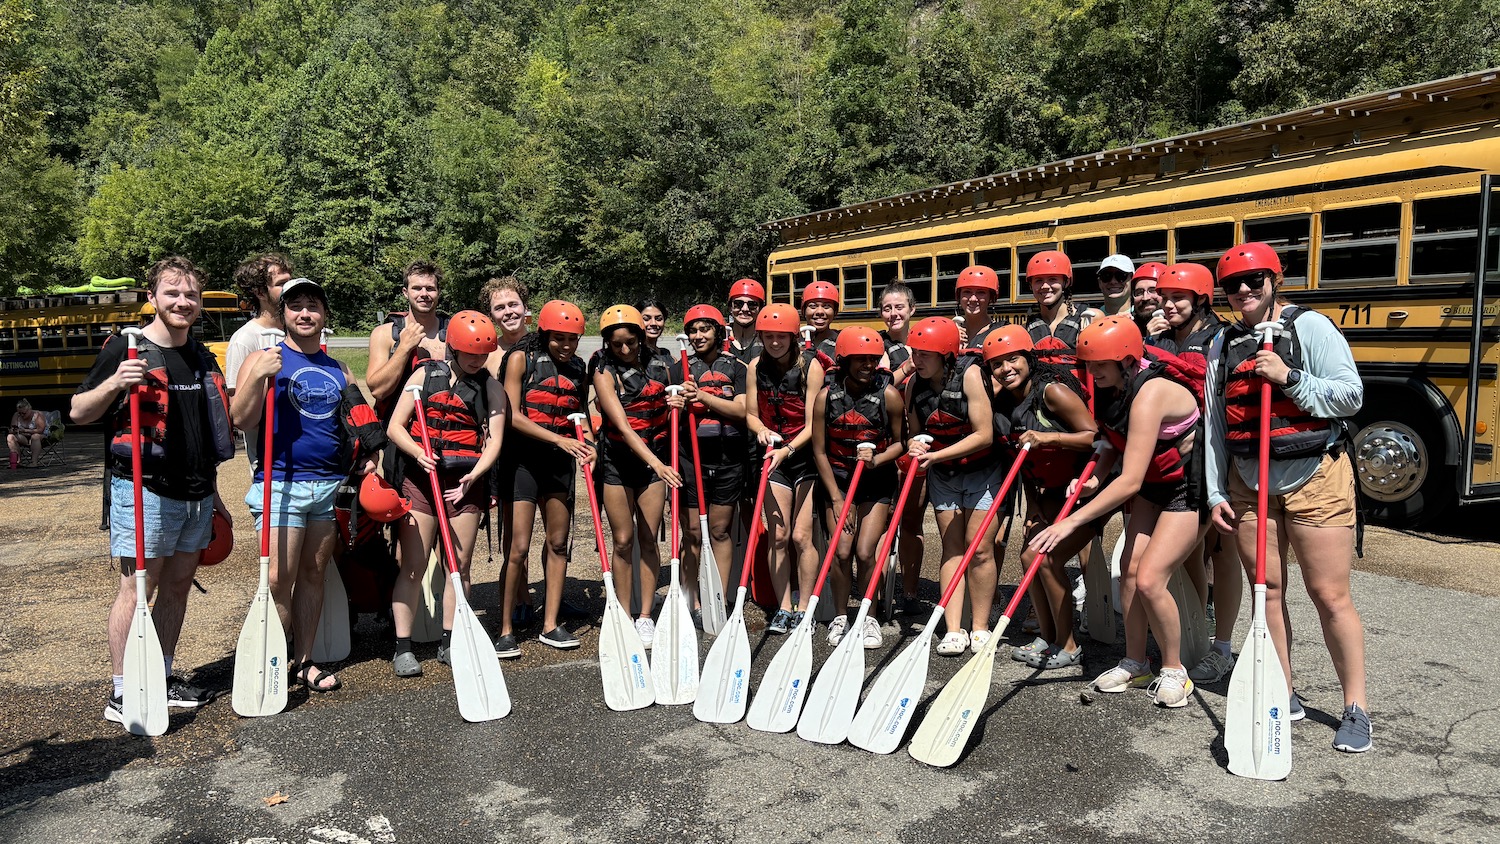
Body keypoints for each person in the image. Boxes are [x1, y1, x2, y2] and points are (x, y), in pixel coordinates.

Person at [1205, 242, 1371, 752]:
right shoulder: (1223, 345)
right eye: (1233, 284)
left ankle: (1356, 707)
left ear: (1276, 280)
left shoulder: (1311, 327)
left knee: (1329, 596)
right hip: (1249, 486)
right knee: (1267, 594)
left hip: (1315, 477)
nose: (1244, 291)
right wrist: (1214, 491)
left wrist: (1290, 378)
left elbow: (1350, 395)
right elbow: (1214, 427)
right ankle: (1285, 690)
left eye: (1255, 280)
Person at [72, 256, 235, 724]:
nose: (183, 302)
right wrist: (115, 385)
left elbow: (203, 432)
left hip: (197, 491)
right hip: (143, 489)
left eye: (190, 295)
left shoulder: (202, 355)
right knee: (137, 590)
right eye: (172, 293)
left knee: (179, 586)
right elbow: (79, 412)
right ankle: (123, 690)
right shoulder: (126, 349)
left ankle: (160, 677)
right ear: (153, 298)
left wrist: (215, 490)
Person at [1029, 316, 1207, 708]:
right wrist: (1095, 478)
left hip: (1189, 487)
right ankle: (1135, 661)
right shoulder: (1112, 386)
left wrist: (1072, 521)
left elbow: (1129, 481)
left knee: (1149, 578)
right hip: (1153, 483)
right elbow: (1111, 442)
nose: (1092, 373)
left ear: (1127, 360)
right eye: (1088, 365)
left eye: (1099, 365)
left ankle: (1175, 671)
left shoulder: (1150, 393)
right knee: (1128, 572)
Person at [230, 278, 383, 692]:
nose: (304, 313)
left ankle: (303, 662)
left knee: (315, 575)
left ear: (324, 315)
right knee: (279, 580)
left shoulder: (339, 368)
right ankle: (271, 664)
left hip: (327, 486)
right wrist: (258, 376)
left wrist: (370, 453)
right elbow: (240, 419)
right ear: (284, 315)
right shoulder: (265, 358)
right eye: (295, 306)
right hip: (281, 484)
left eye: (313, 305)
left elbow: (358, 419)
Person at [385, 311, 508, 677]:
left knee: (460, 566)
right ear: (452, 347)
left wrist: (475, 475)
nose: (476, 360)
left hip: (464, 483)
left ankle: (451, 641)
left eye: (483, 354)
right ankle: (403, 647)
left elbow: (496, 441)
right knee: (414, 566)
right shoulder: (425, 375)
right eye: (470, 352)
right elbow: (395, 426)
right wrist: (418, 452)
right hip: (421, 482)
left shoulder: (491, 388)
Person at [984, 326, 1098, 669]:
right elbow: (1023, 464)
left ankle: (1069, 644)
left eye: (1013, 359)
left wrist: (1050, 439)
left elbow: (1093, 436)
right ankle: (1047, 637)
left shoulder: (1053, 392)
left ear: (1029, 359)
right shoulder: (1003, 403)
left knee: (1043, 558)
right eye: (997, 364)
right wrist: (1032, 508)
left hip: (1084, 489)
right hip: (1045, 491)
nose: (1006, 369)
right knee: (1027, 558)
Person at [1151, 262, 1243, 685]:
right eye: (1164, 297)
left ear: (1202, 299)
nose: (1168, 304)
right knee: (1188, 551)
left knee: (1223, 553)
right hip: (1174, 463)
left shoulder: (1223, 338)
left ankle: (1222, 645)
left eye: (1178, 297)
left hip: (1217, 457)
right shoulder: (1160, 339)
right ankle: (1197, 630)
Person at [494, 301, 593, 656]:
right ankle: (505, 629)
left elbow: (580, 416)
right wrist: (557, 439)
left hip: (559, 465)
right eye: (559, 338)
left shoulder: (578, 367)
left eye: (573, 339)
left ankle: (550, 624)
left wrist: (590, 444)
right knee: (518, 548)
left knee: (557, 544)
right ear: (544, 333)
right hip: (522, 463)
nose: (566, 346)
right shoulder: (521, 358)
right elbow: (512, 415)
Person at [903, 317, 999, 656]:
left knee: (981, 548)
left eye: (926, 354)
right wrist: (917, 445)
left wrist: (939, 454)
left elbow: (984, 434)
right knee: (952, 546)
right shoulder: (914, 384)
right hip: (943, 475)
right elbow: (916, 432)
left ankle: (981, 627)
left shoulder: (970, 375)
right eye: (915, 352)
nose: (918, 359)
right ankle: (954, 628)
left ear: (946, 354)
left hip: (982, 471)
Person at [811, 326, 905, 648]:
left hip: (876, 481)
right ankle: (840, 615)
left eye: (872, 359)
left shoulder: (888, 395)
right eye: (859, 359)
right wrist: (836, 499)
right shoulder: (826, 397)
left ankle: (868, 616)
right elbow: (819, 451)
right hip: (838, 482)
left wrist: (877, 459)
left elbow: (901, 444)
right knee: (841, 551)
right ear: (844, 360)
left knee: (865, 552)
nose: (867, 365)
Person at [593, 305, 681, 647]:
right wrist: (658, 465)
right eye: (618, 345)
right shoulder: (601, 368)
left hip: (653, 462)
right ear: (608, 344)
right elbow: (622, 425)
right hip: (618, 462)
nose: (626, 350)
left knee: (648, 538)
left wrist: (682, 398)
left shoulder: (662, 364)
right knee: (623, 540)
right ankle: (623, 612)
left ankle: (645, 616)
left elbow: (678, 397)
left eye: (631, 342)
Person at [744, 303, 826, 633]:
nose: (774, 342)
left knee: (801, 536)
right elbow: (751, 413)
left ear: (793, 337)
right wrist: (761, 430)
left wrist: (788, 449)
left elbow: (812, 424)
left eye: (781, 336)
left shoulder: (812, 367)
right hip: (772, 456)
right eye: (768, 336)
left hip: (802, 456)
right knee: (777, 536)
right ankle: (783, 608)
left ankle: (804, 608)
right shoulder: (754, 366)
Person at [667, 305, 747, 622]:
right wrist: (675, 402)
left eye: (705, 329)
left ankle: (718, 599)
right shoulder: (678, 371)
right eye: (693, 330)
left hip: (728, 460)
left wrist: (702, 396)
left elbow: (742, 410)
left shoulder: (737, 367)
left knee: (719, 531)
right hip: (690, 460)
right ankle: (692, 602)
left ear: (717, 331)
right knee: (691, 534)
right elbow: (666, 412)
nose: (698, 336)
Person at [879, 282, 925, 612]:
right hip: (889, 445)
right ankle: (882, 592)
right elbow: (879, 387)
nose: (893, 314)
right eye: (887, 308)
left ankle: (909, 592)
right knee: (884, 523)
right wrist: (909, 365)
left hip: (919, 446)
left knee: (911, 522)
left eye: (899, 308)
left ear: (911, 310)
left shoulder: (927, 338)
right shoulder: (877, 346)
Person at [367, 261, 449, 418]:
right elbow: (378, 391)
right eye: (417, 288)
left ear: (438, 292)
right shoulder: (384, 334)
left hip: (441, 433)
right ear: (405, 292)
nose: (424, 294)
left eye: (430, 288)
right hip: (396, 433)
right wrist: (404, 348)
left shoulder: (453, 333)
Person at [225, 253, 293, 396]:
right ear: (260, 293)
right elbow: (236, 403)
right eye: (281, 284)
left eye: (290, 281)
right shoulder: (244, 340)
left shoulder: (297, 331)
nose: (290, 288)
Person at [1025, 251, 1102, 365]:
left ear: (1066, 282)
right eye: (1038, 280)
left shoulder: (1089, 318)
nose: (1045, 286)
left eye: (1052, 279)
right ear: (1031, 285)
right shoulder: (1026, 329)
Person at [726, 278, 765, 363]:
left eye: (752, 305)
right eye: (738, 304)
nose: (745, 309)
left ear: (760, 309)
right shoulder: (720, 337)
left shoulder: (767, 339)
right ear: (730, 307)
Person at [800, 281, 841, 359]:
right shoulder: (791, 342)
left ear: (835, 311)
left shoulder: (842, 342)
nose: (820, 312)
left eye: (827, 306)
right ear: (803, 310)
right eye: (812, 306)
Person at [636, 298, 675, 369]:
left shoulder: (667, 355)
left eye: (658, 319)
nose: (653, 323)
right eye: (646, 319)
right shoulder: (632, 356)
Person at [8, 398, 46, 469]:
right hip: (24, 437)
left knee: (35, 436)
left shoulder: (37, 415)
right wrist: (13, 430)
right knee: (10, 437)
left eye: (24, 413)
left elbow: (40, 430)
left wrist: (25, 430)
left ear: (30, 409)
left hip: (39, 437)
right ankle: (16, 461)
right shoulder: (16, 415)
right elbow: (13, 427)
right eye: (20, 413)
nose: (21, 415)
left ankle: (34, 462)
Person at [1131, 262, 1166, 336]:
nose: (1145, 298)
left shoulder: (1180, 330)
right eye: (1139, 292)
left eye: (1153, 290)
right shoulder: (1130, 328)